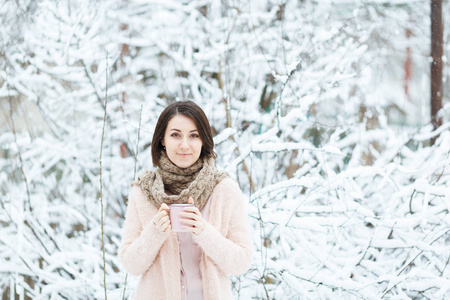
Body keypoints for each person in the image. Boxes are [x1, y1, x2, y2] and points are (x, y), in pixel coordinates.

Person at [119, 100, 253, 300]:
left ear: (203, 141)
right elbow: (130, 265)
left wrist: (203, 231)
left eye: (194, 136)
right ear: (162, 140)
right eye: (175, 135)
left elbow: (241, 262)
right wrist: (154, 232)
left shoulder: (224, 190)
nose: (184, 145)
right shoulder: (143, 192)